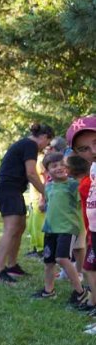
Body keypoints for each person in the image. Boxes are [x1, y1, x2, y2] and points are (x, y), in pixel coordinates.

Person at [0, 123, 53, 283]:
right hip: (8, 189)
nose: (46, 147)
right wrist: (46, 193)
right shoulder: (30, 145)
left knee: (20, 227)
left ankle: (12, 266)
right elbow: (31, 174)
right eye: (48, 142)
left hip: (14, 190)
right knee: (11, 229)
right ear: (45, 137)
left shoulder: (26, 144)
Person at [30, 153, 86, 305]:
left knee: (62, 258)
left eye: (62, 164)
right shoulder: (48, 187)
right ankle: (49, 291)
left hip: (67, 228)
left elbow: (83, 203)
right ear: (47, 171)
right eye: (54, 166)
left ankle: (81, 292)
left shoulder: (73, 185)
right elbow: (49, 203)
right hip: (50, 229)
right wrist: (43, 205)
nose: (59, 167)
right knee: (49, 262)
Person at [66, 115, 96, 319]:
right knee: (89, 268)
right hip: (94, 231)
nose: (93, 152)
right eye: (84, 148)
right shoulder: (93, 168)